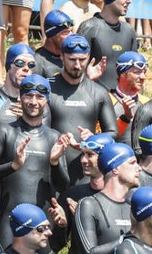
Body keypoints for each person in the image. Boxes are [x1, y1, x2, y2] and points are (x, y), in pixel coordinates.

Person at [0, 74, 76, 248]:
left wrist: (54, 162)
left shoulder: (54, 137)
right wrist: (13, 165)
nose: (33, 102)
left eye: (39, 97)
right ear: (20, 98)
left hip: (43, 222)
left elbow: (63, 186)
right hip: (9, 222)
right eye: (28, 96)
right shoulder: (5, 132)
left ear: (47, 100)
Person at [48, 34, 118, 183]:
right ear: (61, 56)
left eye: (82, 60)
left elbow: (113, 133)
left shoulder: (99, 93)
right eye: (72, 60)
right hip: (51, 166)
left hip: (86, 173)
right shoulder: (48, 89)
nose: (78, 65)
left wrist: (94, 139)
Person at [79, 0, 137, 92]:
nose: (129, 1)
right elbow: (76, 66)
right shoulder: (90, 28)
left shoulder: (129, 31)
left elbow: (135, 70)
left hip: (122, 100)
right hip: (95, 98)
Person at [34, 9, 73, 78]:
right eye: (65, 33)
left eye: (71, 31)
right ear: (51, 36)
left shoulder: (73, 57)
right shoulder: (37, 63)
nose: (71, 36)